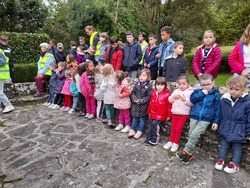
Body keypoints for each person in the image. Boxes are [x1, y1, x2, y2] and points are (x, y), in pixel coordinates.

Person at [176, 74, 220, 164]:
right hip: (194, 116)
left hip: (206, 119)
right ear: (200, 84)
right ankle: (189, 155)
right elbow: (192, 100)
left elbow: (218, 109)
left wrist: (216, 121)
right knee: (191, 134)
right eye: (203, 85)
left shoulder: (216, 95)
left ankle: (185, 151)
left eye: (208, 84)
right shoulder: (197, 92)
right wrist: (202, 93)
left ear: (213, 82)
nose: (206, 86)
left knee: (194, 135)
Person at [214, 76, 250, 173]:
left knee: (237, 147)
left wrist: (248, 133)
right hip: (226, 127)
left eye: (237, 89)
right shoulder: (224, 99)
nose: (233, 91)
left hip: (239, 129)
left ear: (243, 89)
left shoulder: (247, 102)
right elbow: (220, 113)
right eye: (231, 89)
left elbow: (249, 119)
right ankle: (221, 159)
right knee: (224, 145)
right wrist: (216, 122)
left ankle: (235, 164)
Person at [163, 76, 194, 152]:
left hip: (183, 114)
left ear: (188, 84)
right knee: (173, 128)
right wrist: (174, 97)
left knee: (178, 129)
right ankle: (171, 141)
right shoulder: (176, 91)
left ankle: (176, 143)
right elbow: (169, 100)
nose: (181, 86)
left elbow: (192, 103)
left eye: (184, 84)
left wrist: (185, 100)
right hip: (175, 112)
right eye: (180, 84)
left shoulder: (191, 92)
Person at [145, 77, 172, 146]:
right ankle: (148, 137)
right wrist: (149, 112)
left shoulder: (167, 95)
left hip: (161, 114)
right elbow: (151, 103)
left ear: (165, 85)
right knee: (150, 125)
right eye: (158, 85)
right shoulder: (153, 93)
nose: (159, 87)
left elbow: (169, 106)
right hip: (153, 113)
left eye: (161, 85)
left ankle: (155, 138)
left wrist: (169, 115)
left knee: (154, 124)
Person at [128, 69, 152, 139]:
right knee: (134, 118)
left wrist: (140, 101)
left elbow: (148, 96)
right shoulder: (137, 84)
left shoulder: (149, 86)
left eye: (144, 76)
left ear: (148, 77)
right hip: (135, 105)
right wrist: (134, 99)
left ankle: (139, 131)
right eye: (140, 75)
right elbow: (133, 93)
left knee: (142, 119)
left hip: (143, 106)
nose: (141, 77)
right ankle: (132, 130)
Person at [0, 47, 14, 113]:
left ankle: (8, 105)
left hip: (1, 75)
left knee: (0, 92)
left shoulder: (0, 52)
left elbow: (2, 61)